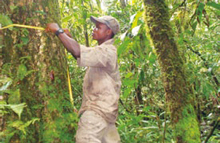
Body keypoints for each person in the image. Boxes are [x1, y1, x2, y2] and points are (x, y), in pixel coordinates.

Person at [46, 16, 121, 143]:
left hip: (97, 114)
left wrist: (58, 32)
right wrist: (68, 39)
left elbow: (77, 51)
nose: (94, 29)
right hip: (106, 116)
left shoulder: (108, 51)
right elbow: (82, 55)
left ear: (108, 32)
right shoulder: (102, 52)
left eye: (98, 27)